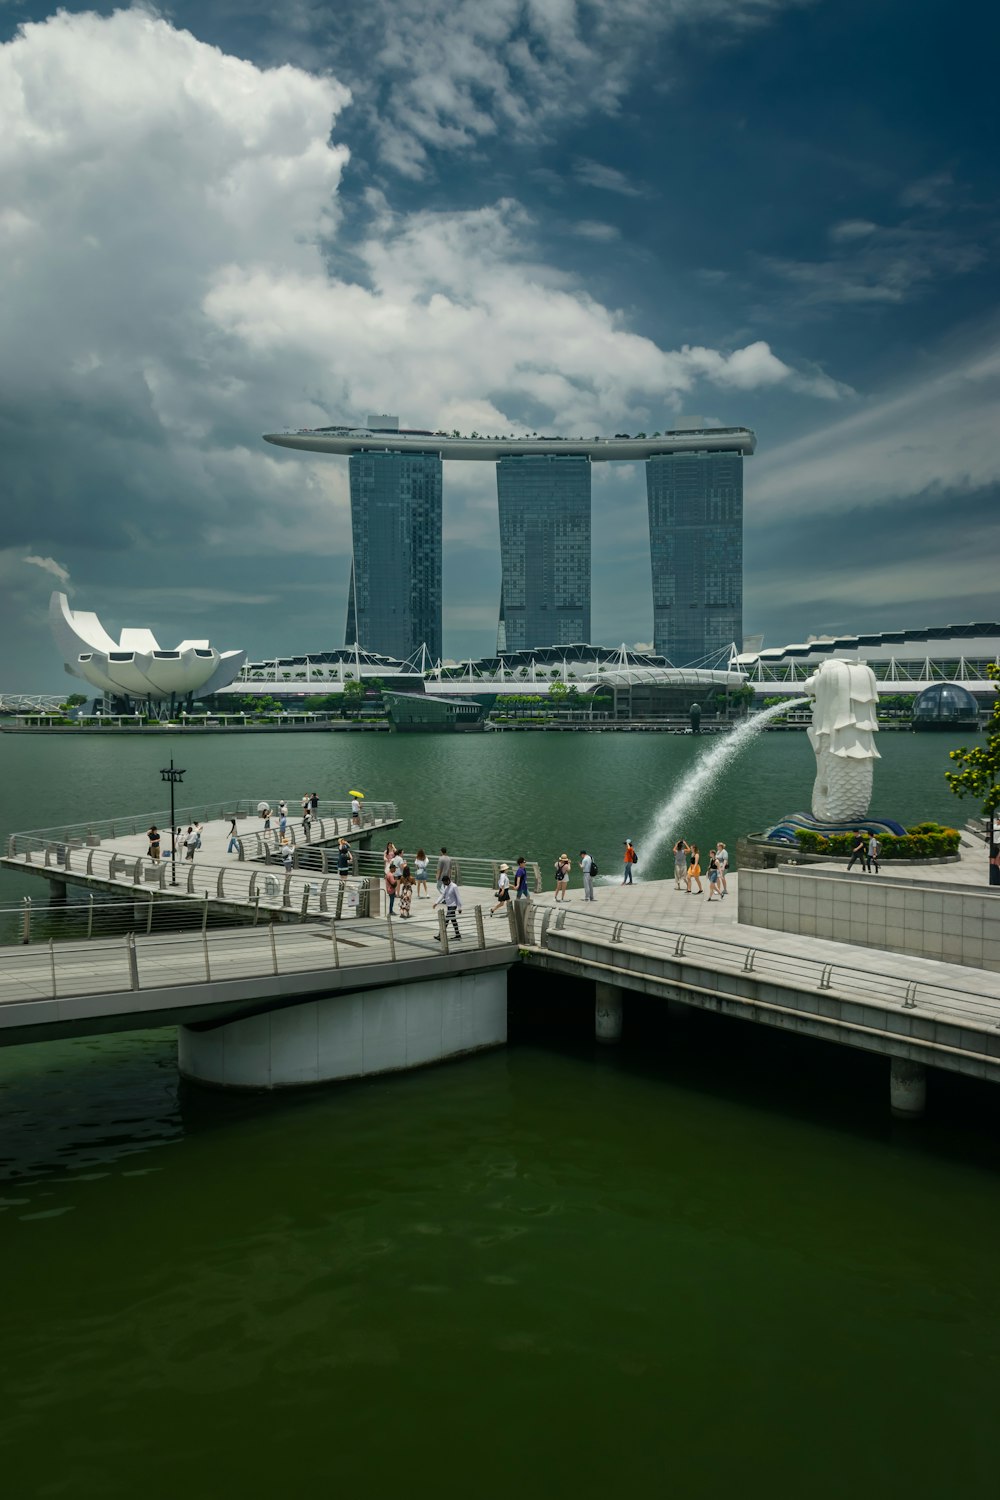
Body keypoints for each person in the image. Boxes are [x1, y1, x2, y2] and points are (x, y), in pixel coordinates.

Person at [433, 875, 462, 941]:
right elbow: (443, 895)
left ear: (448, 880)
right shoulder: (446, 887)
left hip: (453, 906)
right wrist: (436, 903)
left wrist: (459, 908)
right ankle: (458, 935)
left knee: (446, 921)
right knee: (453, 921)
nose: (444, 884)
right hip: (449, 906)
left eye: (444, 882)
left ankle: (440, 936)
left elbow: (458, 897)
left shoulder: (454, 886)